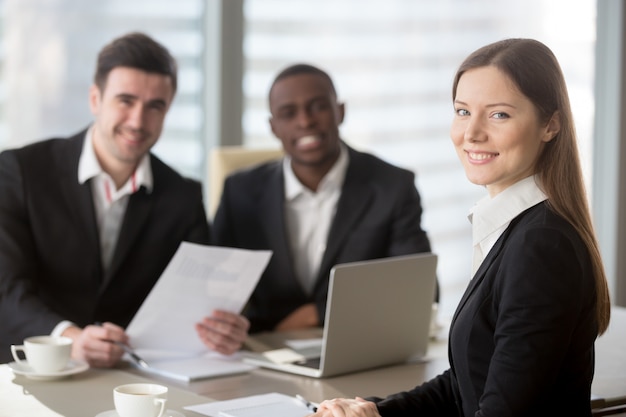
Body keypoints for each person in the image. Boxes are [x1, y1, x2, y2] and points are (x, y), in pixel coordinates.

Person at [311, 38, 611, 417]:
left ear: (550, 125)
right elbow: (466, 384)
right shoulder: (512, 228)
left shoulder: (541, 246)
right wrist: (374, 411)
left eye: (498, 114)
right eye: (463, 111)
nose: (471, 133)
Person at [0, 32, 249, 367]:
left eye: (154, 106)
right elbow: (6, 290)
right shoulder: (21, 171)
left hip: (132, 375)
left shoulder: (183, 195)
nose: (137, 121)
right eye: (125, 101)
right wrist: (70, 339)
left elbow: (197, 299)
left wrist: (224, 328)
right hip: (31, 368)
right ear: (94, 99)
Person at [212, 63, 434, 333]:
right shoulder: (240, 191)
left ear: (340, 111)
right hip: (264, 350)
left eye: (318, 106)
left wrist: (314, 314)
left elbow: (421, 289)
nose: (305, 121)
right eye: (288, 113)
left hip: (360, 340)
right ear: (273, 127)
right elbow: (213, 288)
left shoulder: (393, 186)